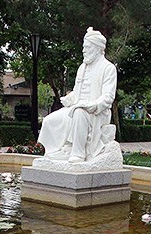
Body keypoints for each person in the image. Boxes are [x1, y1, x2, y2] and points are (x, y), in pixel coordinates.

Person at [37, 27, 117, 164]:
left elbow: (108, 97)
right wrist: (69, 98)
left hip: (98, 112)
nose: (83, 51)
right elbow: (78, 91)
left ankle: (78, 153)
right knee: (50, 120)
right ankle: (56, 151)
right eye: (83, 47)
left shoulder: (108, 68)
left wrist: (93, 105)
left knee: (80, 112)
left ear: (97, 48)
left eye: (86, 47)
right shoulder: (82, 67)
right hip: (77, 106)